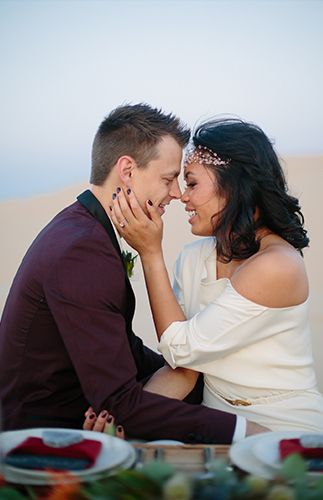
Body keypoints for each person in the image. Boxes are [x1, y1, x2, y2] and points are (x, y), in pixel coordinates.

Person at [0, 104, 266, 443]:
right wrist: (244, 431)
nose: (175, 193)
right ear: (127, 170)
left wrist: (195, 381)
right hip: (45, 442)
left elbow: (122, 348)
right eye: (168, 178)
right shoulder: (81, 252)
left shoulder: (84, 228)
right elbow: (119, 406)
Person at [109, 117, 323, 433]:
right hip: (220, 430)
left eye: (193, 183)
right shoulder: (193, 258)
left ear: (233, 185)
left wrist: (151, 254)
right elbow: (183, 369)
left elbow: (180, 347)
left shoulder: (278, 265)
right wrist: (120, 424)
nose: (183, 196)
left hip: (287, 431)